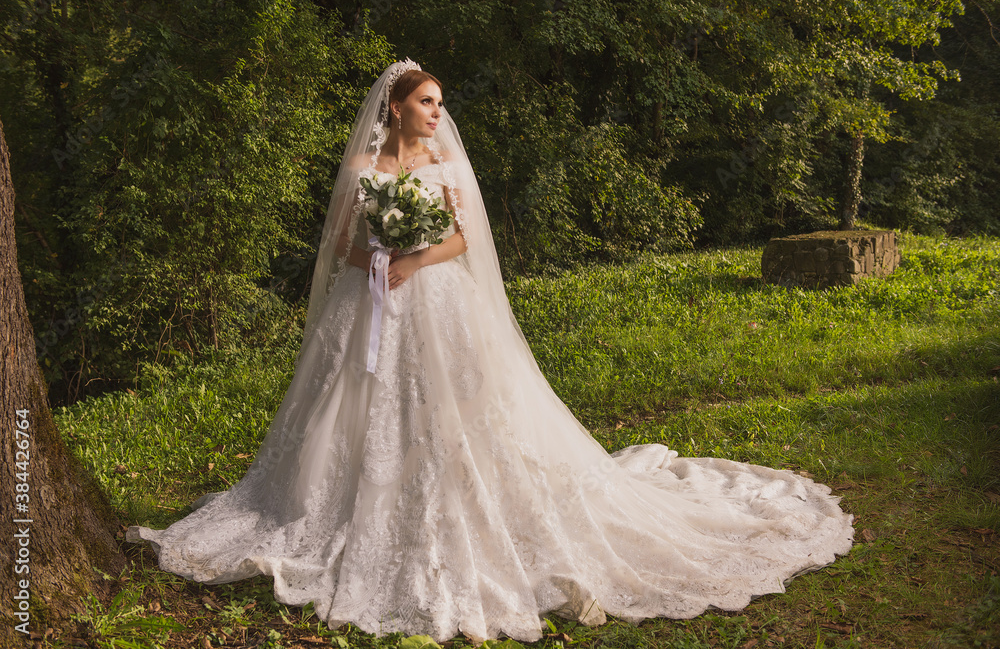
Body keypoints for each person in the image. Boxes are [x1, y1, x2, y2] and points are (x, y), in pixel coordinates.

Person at [127, 59, 854, 644]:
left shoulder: (444, 169)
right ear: (397, 106)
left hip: (440, 301)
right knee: (350, 410)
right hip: (373, 306)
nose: (438, 114)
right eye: (427, 103)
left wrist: (416, 258)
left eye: (440, 103)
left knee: (467, 409)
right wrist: (381, 263)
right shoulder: (363, 173)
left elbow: (463, 240)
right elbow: (345, 249)